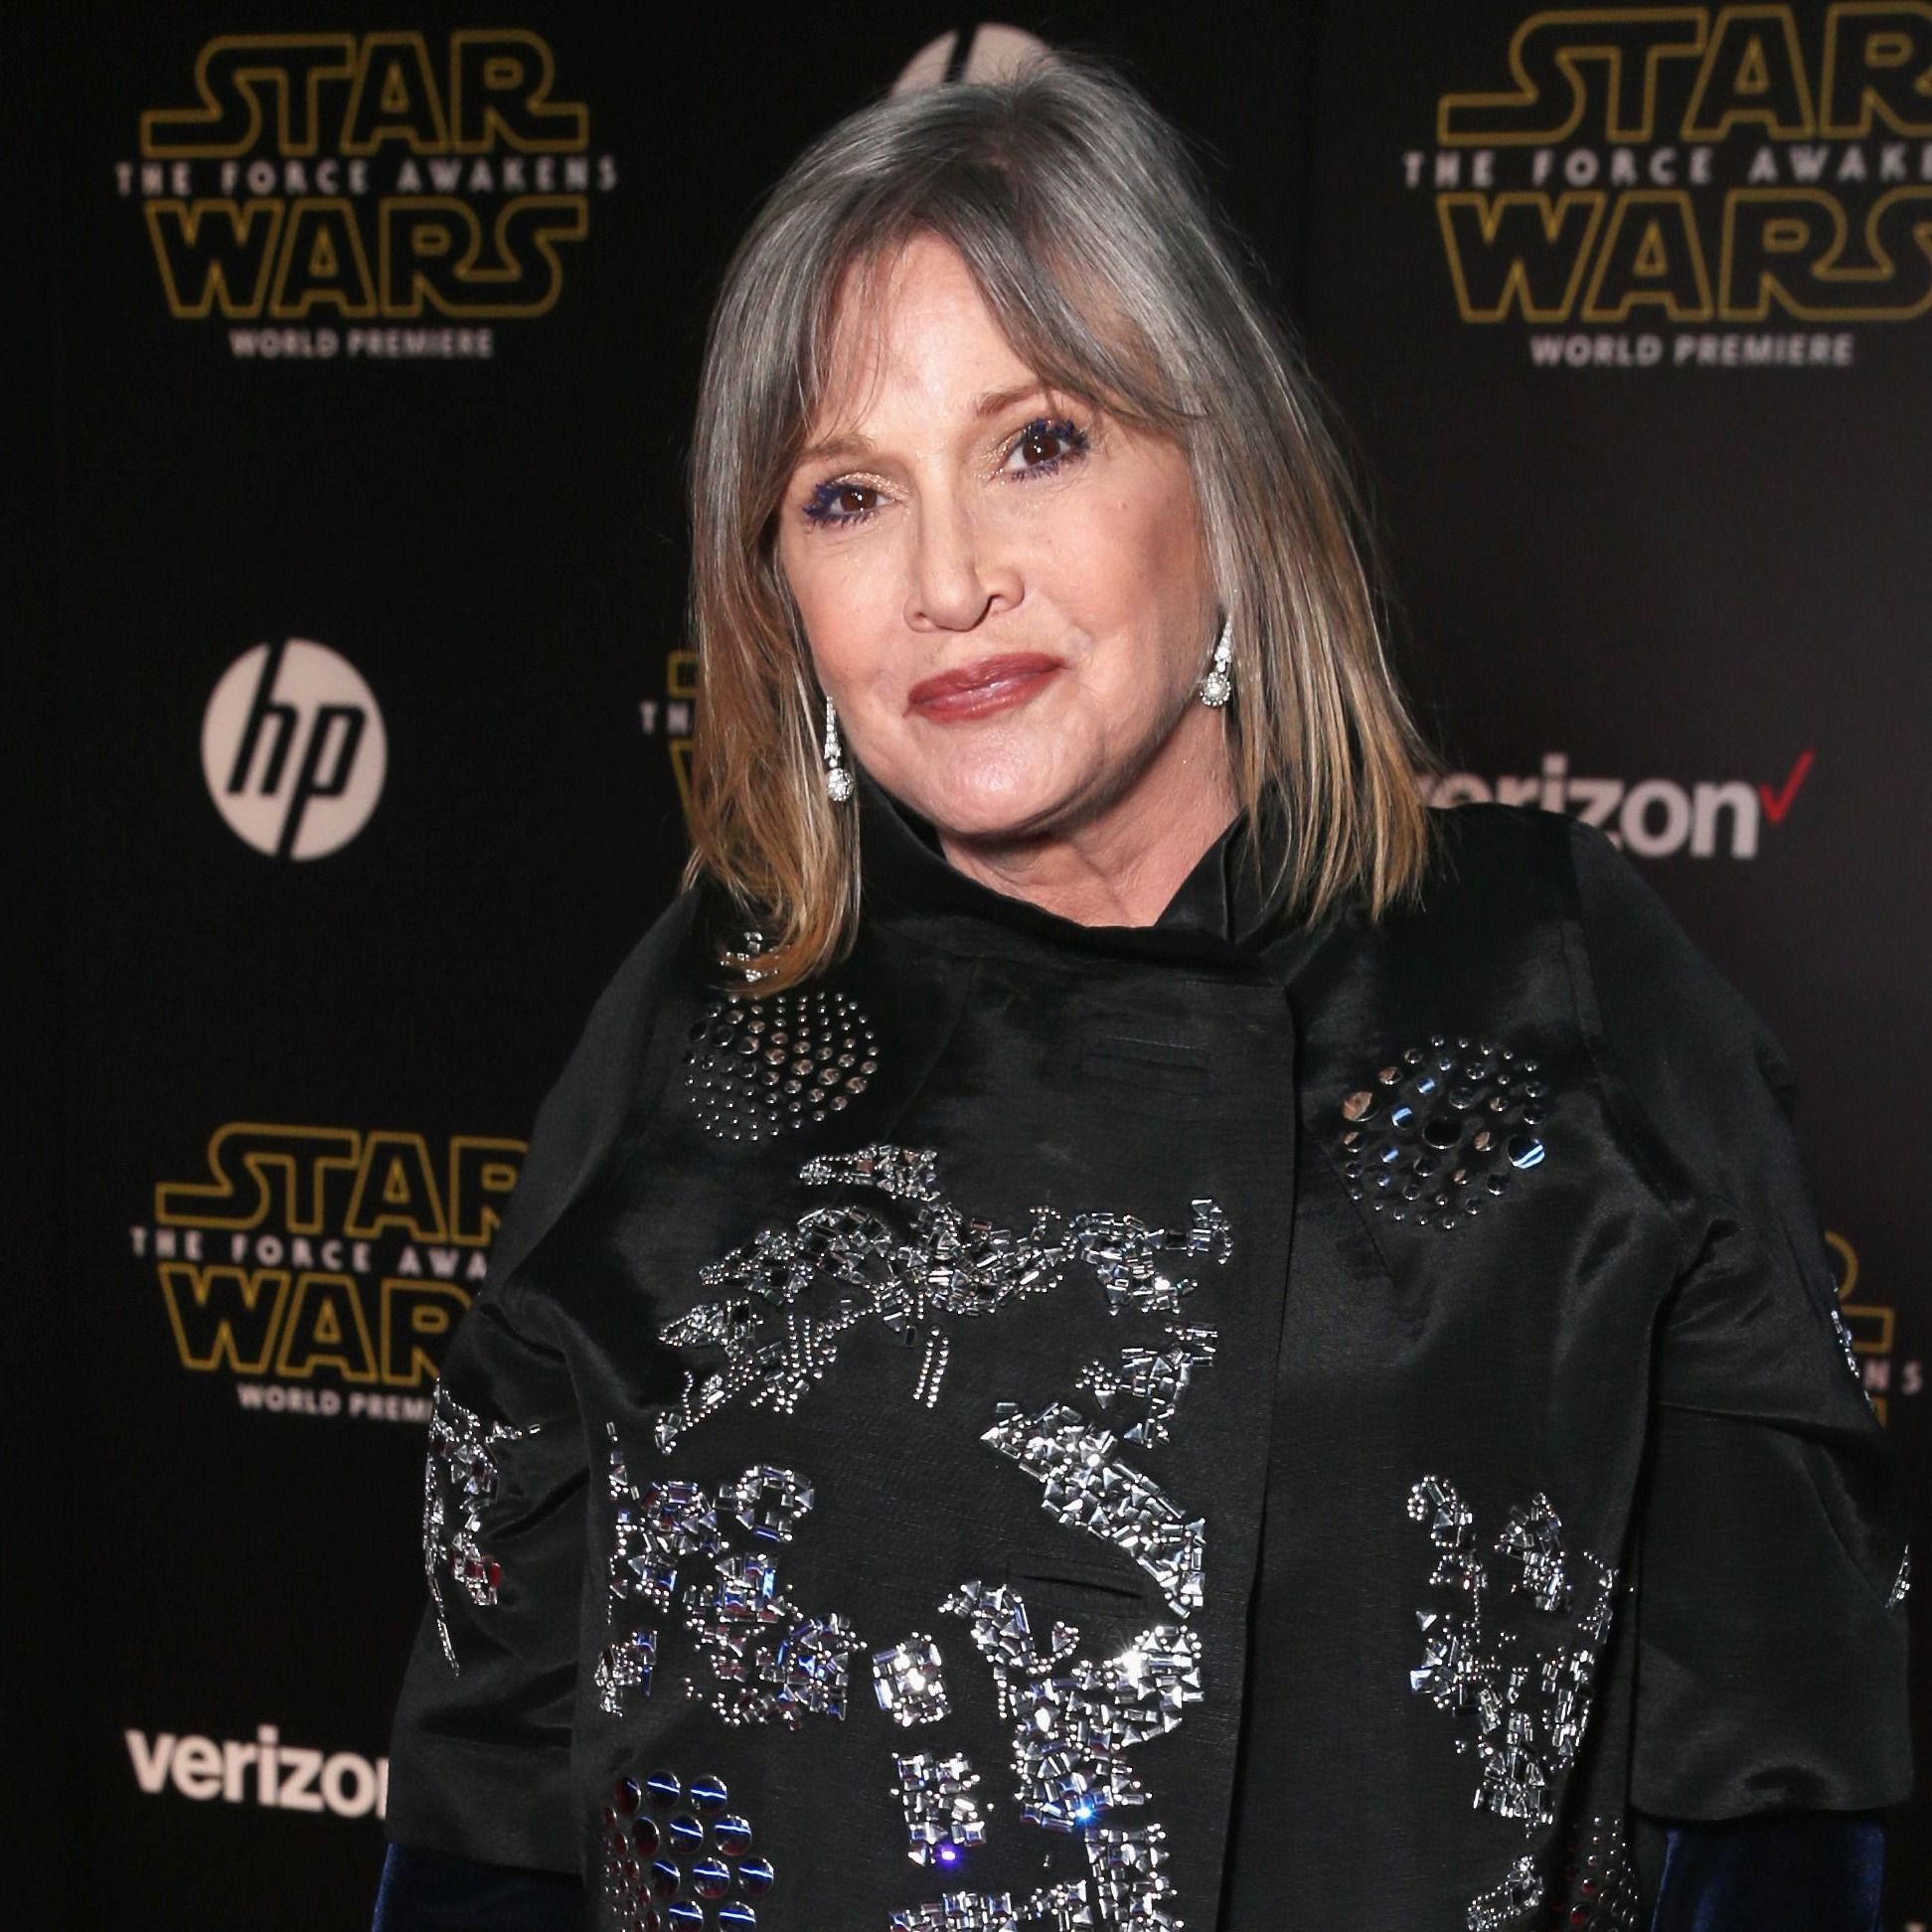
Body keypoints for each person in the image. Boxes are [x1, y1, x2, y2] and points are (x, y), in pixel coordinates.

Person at [373, 56, 1910, 1932]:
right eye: (848, 495)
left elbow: (1775, 1755)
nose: (949, 582)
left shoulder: (1548, 970)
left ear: (1225, 479)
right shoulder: (700, 1025)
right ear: (777, 597)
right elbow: (498, 1774)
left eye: (1039, 444)